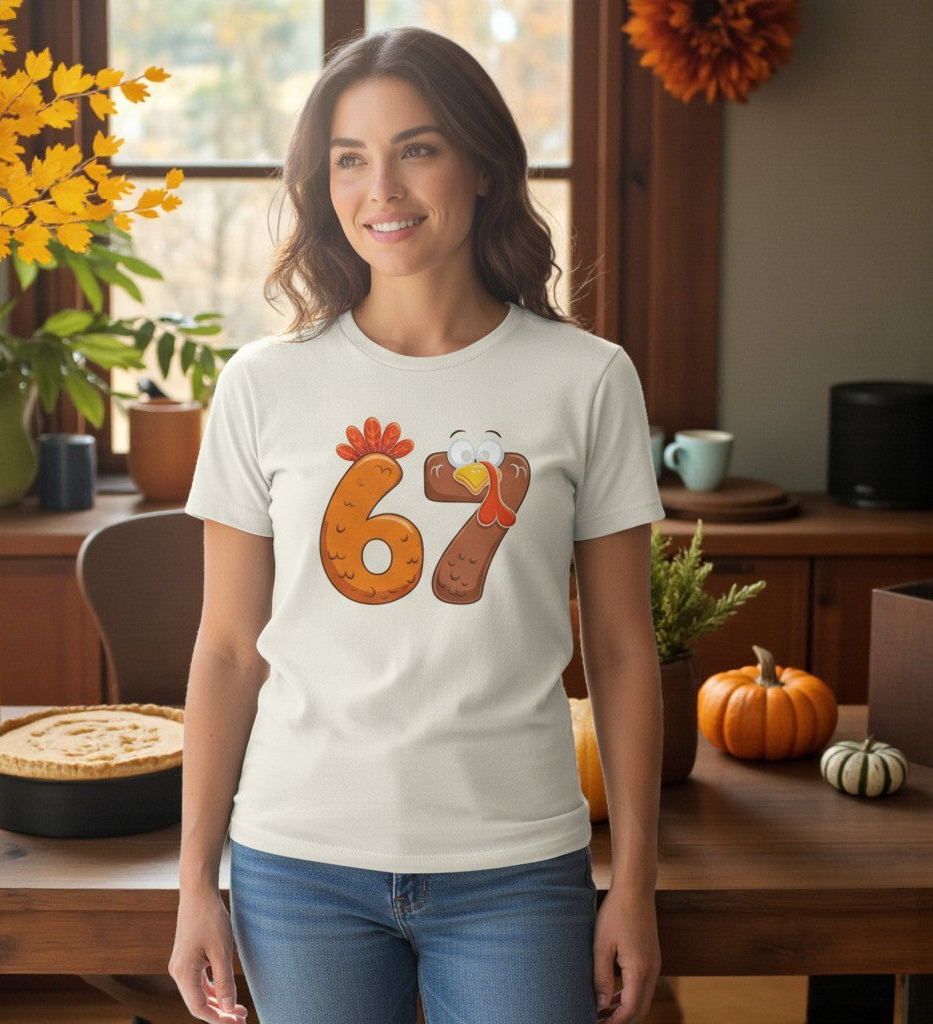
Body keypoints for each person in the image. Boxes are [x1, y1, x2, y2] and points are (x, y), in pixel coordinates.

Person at [169, 26, 663, 1024]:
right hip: (295, 866)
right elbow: (225, 650)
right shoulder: (263, 384)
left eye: (417, 149)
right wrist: (194, 886)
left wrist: (636, 884)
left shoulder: (587, 378)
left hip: (516, 865)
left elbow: (619, 648)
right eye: (349, 159)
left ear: (481, 165)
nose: (380, 190)